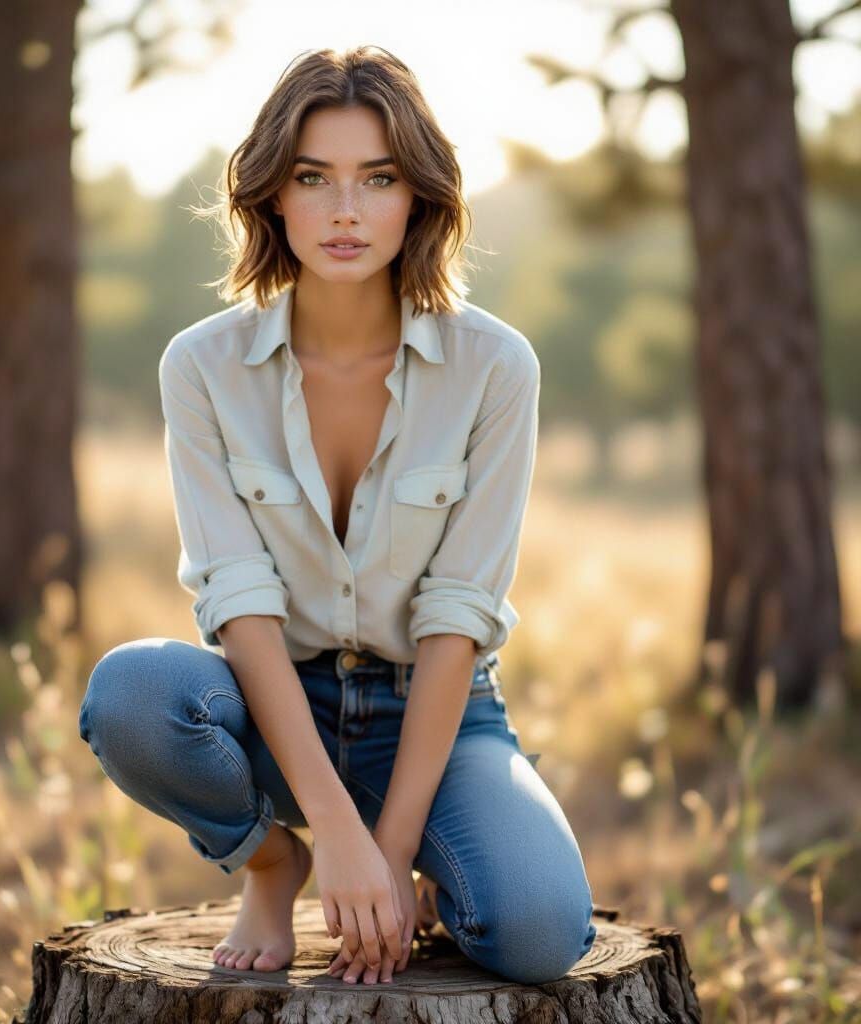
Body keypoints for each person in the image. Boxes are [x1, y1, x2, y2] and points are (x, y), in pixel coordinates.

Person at [78, 44, 597, 988]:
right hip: (278, 705)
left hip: (436, 715)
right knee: (133, 697)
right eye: (314, 178)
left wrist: (390, 854)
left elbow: (457, 616)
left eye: (379, 178)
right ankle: (275, 865)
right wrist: (328, 835)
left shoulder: (495, 367)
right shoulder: (201, 366)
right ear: (274, 194)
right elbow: (239, 605)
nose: (346, 211)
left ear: (420, 198)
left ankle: (438, 862)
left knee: (537, 933)